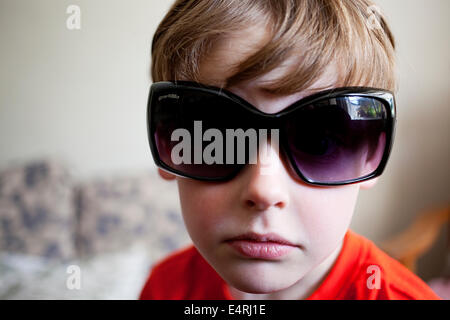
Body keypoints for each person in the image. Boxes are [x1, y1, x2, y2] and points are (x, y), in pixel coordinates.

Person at [139, 0, 440, 299]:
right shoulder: (165, 287)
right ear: (166, 141)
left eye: (320, 143)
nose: (264, 191)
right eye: (216, 137)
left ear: (371, 155)